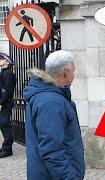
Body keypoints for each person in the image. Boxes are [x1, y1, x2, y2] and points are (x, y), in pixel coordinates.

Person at [23, 50, 85, 179]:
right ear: (66, 72)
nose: (74, 74)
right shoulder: (51, 102)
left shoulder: (50, 97)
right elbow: (51, 150)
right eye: (73, 70)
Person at [0, 53, 16, 158]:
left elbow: (7, 91)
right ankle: (5, 147)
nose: (0, 60)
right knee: (2, 124)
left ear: (7, 62)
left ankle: (7, 149)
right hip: (3, 102)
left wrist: (0, 103)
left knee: (5, 125)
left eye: (1, 59)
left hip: (5, 103)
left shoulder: (8, 73)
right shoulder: (4, 73)